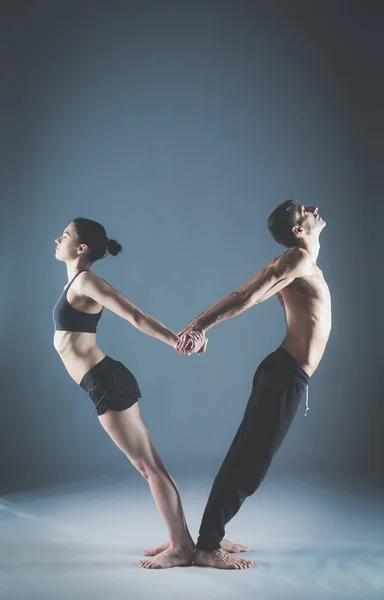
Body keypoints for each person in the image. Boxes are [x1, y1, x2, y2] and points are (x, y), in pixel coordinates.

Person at [172, 200, 331, 569]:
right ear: (298, 229)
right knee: (251, 462)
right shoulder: (296, 260)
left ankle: (212, 533)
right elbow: (245, 296)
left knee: (246, 456)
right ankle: (208, 547)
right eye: (305, 209)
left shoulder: (300, 262)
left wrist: (199, 324)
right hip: (284, 374)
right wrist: (198, 327)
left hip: (285, 373)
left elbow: (243, 293)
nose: (314, 208)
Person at [53, 217, 203, 569]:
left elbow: (135, 315)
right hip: (103, 381)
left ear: (81, 248)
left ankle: (181, 549)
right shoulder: (76, 282)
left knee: (148, 467)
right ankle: (181, 540)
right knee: (151, 466)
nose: (57, 240)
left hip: (106, 380)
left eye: (65, 236)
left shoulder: (87, 282)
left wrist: (176, 341)